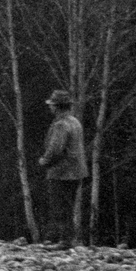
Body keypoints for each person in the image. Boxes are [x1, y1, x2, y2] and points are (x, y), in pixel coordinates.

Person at [38, 89, 88, 249]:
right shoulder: (75, 121)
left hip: (62, 172)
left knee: (60, 207)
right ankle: (62, 239)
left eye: (52, 105)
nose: (50, 108)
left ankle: (64, 241)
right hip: (76, 171)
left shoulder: (60, 125)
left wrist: (44, 161)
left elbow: (55, 149)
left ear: (57, 107)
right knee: (68, 205)